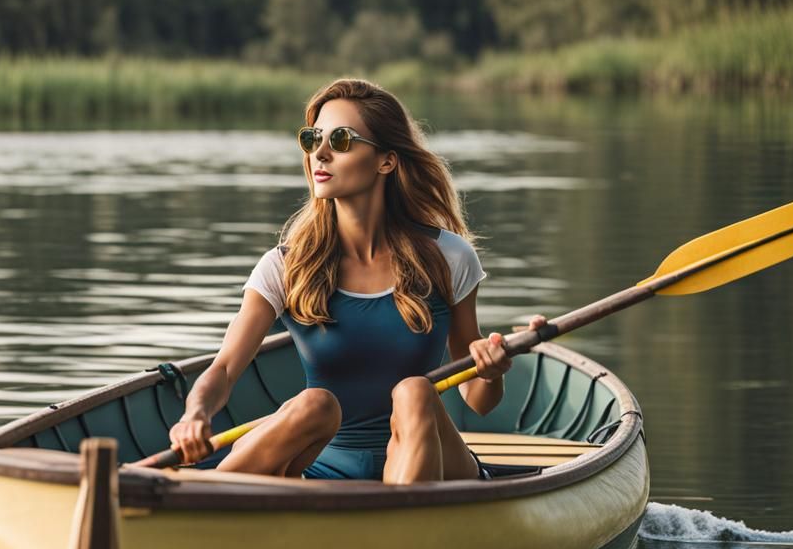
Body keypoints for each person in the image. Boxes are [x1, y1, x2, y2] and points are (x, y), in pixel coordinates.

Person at [167, 77, 547, 484]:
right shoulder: (284, 266)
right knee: (315, 404)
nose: (320, 153)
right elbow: (224, 369)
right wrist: (195, 415)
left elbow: (480, 401)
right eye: (313, 138)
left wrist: (490, 371)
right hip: (325, 468)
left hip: (431, 459)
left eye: (341, 140)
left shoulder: (449, 257)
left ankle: (404, 513)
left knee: (414, 391)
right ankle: (202, 496)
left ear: (386, 161)